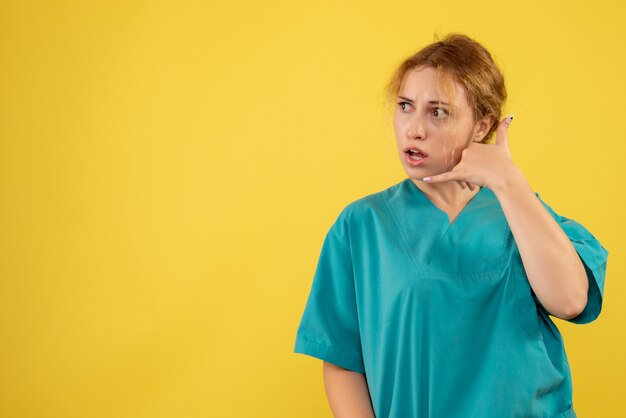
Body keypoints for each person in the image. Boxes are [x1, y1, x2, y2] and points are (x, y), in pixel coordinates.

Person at [293, 33, 609, 418]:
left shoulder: (524, 214)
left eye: (438, 112)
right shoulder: (361, 226)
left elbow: (571, 300)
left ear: (482, 125)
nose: (414, 129)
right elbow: (341, 358)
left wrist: (509, 183)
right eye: (406, 107)